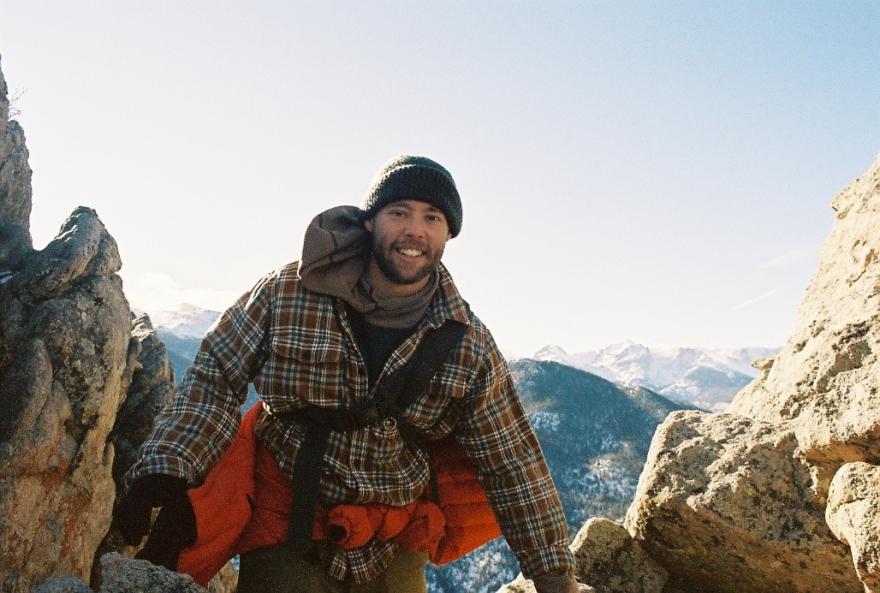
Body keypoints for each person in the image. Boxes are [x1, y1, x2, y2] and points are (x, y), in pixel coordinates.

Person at [114, 155, 580, 593]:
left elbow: (510, 461)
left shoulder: (466, 342)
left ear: (448, 235)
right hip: (287, 521)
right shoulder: (289, 293)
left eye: (432, 218)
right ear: (369, 219)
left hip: (392, 533)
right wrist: (167, 468)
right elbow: (216, 377)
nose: (414, 231)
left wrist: (553, 574)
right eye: (399, 212)